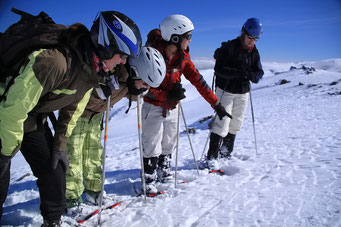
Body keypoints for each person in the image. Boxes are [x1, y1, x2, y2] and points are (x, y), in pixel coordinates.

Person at [0, 10, 142, 226]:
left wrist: (60, 145)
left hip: (32, 116)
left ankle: (53, 221)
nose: (123, 62)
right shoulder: (55, 63)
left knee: (54, 171)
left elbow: (73, 110)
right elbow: (12, 111)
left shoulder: (91, 72)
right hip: (5, 111)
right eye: (122, 55)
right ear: (107, 44)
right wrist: (5, 154)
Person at [65, 46, 166, 209]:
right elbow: (82, 94)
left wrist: (137, 91)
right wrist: (100, 91)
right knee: (73, 157)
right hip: (77, 115)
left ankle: (94, 193)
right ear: (135, 71)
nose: (145, 87)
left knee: (94, 155)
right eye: (145, 83)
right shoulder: (111, 73)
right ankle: (71, 201)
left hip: (95, 117)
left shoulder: (130, 82)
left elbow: (130, 89)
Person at [141, 14, 232, 194]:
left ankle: (163, 170)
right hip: (153, 106)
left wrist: (216, 105)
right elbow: (145, 85)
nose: (190, 40)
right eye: (188, 37)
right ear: (175, 37)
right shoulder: (152, 54)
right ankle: (148, 179)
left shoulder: (183, 58)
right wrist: (167, 94)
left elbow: (199, 81)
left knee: (169, 142)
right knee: (152, 143)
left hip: (172, 107)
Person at [206, 18, 264, 169]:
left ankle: (226, 154)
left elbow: (259, 73)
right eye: (250, 37)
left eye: (255, 39)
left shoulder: (254, 52)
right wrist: (237, 73)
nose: (252, 41)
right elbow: (219, 69)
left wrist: (250, 75)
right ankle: (212, 158)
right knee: (222, 123)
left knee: (236, 124)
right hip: (226, 90)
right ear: (243, 33)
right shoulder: (230, 47)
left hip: (243, 92)